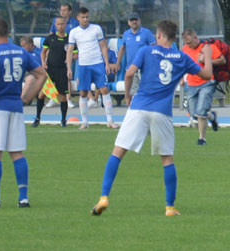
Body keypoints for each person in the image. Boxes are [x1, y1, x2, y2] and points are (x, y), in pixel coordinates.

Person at [91, 19, 213, 217]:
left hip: (139, 107)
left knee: (118, 152)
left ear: (158, 35)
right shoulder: (181, 57)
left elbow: (129, 73)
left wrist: (128, 95)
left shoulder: (146, 51)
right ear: (174, 38)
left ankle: (103, 197)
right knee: (167, 159)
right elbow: (207, 74)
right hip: (162, 112)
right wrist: (207, 56)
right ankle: (169, 207)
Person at [0, 17, 47, 208]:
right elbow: (42, 74)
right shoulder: (22, 52)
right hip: (16, 107)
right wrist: (27, 98)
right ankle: (23, 198)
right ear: (8, 33)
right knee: (17, 153)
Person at [66, 7, 118, 129]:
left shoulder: (96, 29)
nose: (85, 19)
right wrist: (69, 68)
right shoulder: (74, 32)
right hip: (83, 65)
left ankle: (110, 121)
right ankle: (85, 122)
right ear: (78, 18)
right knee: (83, 92)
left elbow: (103, 47)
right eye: (83, 17)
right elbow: (69, 51)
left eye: (87, 17)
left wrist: (106, 63)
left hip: (98, 63)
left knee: (104, 89)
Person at [180, 28, 222, 145]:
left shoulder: (208, 47)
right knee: (194, 113)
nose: (188, 45)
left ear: (196, 38)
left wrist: (206, 60)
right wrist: (181, 79)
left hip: (207, 82)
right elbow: (181, 65)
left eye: (190, 42)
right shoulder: (185, 50)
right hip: (192, 83)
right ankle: (212, 116)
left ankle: (202, 139)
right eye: (186, 43)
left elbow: (222, 60)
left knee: (201, 110)